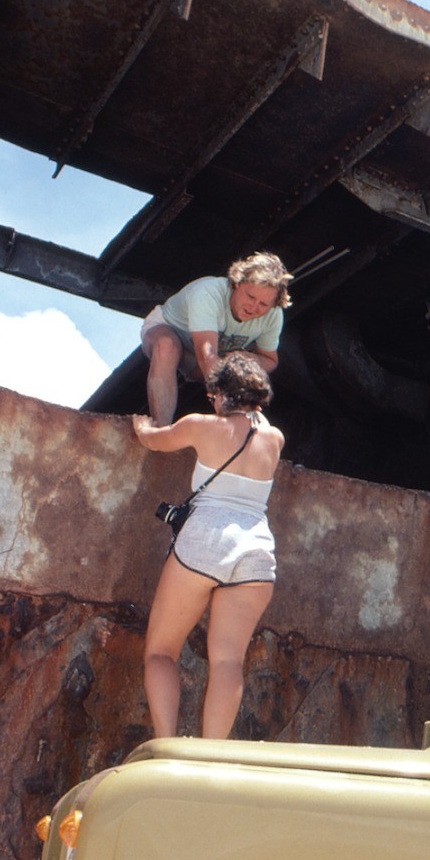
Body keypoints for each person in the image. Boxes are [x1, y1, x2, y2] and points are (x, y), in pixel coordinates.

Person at [132, 352, 285, 741]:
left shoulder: (201, 426)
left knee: (161, 652)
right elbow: (254, 424)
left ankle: (167, 744)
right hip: (256, 550)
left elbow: (154, 441)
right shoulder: (274, 438)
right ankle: (210, 754)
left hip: (206, 540)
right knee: (228, 661)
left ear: (217, 394)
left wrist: (141, 425)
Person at [139, 252, 293, 425]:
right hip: (170, 333)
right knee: (167, 346)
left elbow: (270, 361)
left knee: (238, 363)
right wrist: (228, 409)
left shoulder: (274, 316)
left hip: (204, 360)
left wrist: (241, 359)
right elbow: (207, 356)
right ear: (237, 283)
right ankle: (160, 430)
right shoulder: (208, 293)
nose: (254, 307)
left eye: (264, 304)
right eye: (250, 296)